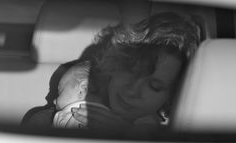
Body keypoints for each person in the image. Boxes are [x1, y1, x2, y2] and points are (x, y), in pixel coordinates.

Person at [22, 12, 200, 136]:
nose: (133, 90)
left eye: (154, 86)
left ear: (172, 95)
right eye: (130, 71)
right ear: (113, 66)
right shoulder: (54, 116)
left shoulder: (170, 140)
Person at [52, 61, 109, 129]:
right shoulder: (108, 116)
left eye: (60, 91)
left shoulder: (64, 116)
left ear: (83, 88)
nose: (54, 101)